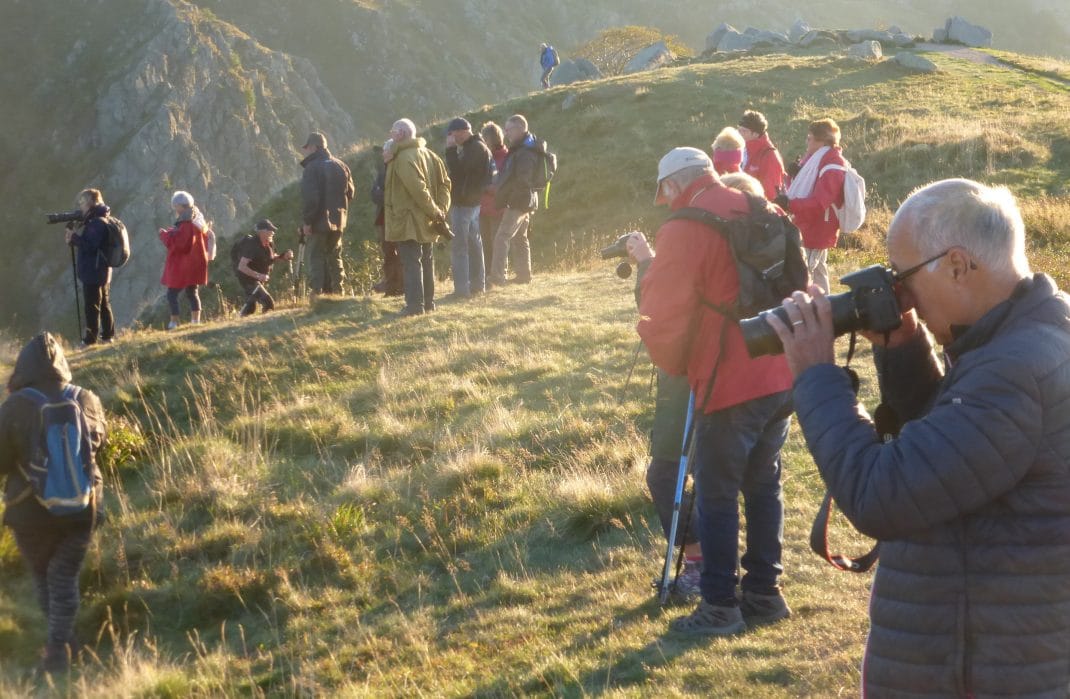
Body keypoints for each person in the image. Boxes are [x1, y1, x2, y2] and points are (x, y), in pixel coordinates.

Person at [764, 178, 1070, 697]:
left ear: (957, 265)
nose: (898, 293)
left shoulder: (1013, 372)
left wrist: (816, 375)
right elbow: (952, 448)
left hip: (979, 668)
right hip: (993, 648)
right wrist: (903, 344)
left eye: (902, 277)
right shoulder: (1034, 333)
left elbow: (881, 495)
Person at [635, 147, 794, 636]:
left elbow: (661, 314)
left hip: (728, 376)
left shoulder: (684, 228)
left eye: (664, 192)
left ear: (676, 184)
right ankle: (765, 594)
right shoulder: (764, 208)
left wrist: (680, 365)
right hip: (779, 368)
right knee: (764, 484)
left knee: (717, 495)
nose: (664, 203)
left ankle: (720, 606)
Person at [0, 333, 106, 674]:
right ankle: (64, 644)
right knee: (64, 575)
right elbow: (98, 444)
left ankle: (58, 652)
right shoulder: (86, 398)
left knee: (46, 577)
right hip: (82, 508)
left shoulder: (15, 406)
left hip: (29, 511)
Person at [383, 118, 451, 316]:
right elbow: (445, 184)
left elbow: (418, 190)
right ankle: (428, 303)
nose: (391, 136)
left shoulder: (404, 158)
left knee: (412, 262)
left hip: (409, 220)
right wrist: (441, 210)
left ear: (401, 134)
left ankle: (414, 306)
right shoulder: (430, 155)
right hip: (429, 220)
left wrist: (435, 211)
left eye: (393, 132)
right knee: (427, 260)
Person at [779, 119, 846, 294]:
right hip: (809, 223)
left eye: (810, 139)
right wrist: (792, 176)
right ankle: (827, 309)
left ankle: (815, 310)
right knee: (818, 271)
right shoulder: (814, 160)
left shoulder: (833, 166)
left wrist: (789, 204)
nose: (806, 142)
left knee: (805, 272)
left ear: (822, 142)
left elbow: (819, 203)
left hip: (817, 227)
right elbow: (802, 187)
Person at [489, 114, 543, 287]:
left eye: (509, 129)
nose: (506, 133)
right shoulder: (528, 147)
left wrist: (511, 199)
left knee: (502, 237)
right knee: (520, 238)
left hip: (519, 201)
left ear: (520, 128)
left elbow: (522, 180)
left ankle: (497, 277)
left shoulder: (525, 152)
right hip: (527, 200)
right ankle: (524, 275)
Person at [299, 132, 355, 296]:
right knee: (334, 255)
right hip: (339, 221)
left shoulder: (311, 168)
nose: (306, 151)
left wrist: (307, 222)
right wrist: (339, 210)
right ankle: (338, 292)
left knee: (316, 256)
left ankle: (317, 293)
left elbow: (311, 198)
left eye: (307, 147)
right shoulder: (341, 166)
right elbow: (351, 193)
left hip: (319, 221)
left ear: (315, 147)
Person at [444, 117, 491, 299]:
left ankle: (462, 289)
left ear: (462, 131)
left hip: (464, 203)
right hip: (473, 203)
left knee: (460, 246)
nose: (451, 139)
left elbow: (457, 172)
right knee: (474, 243)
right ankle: (478, 285)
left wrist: (450, 151)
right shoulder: (478, 147)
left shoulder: (474, 149)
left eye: (452, 134)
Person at [64, 188, 114, 346]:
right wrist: (73, 238)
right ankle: (107, 336)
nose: (81, 206)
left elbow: (90, 246)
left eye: (82, 202)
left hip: (94, 270)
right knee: (104, 304)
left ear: (91, 203)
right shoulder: (101, 219)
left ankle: (90, 339)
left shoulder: (96, 223)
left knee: (92, 305)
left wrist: (74, 238)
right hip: (102, 269)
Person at [158, 190, 208, 329]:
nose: (175, 210)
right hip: (196, 262)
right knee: (192, 292)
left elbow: (181, 245)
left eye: (176, 207)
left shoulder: (186, 222)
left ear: (181, 206)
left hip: (183, 264)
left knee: (172, 293)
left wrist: (164, 235)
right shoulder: (198, 219)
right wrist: (173, 232)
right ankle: (195, 321)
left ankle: (174, 322)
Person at [234, 219, 294, 316]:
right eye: (270, 230)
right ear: (261, 232)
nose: (273, 233)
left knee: (251, 307)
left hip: (258, 278)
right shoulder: (252, 245)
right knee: (268, 302)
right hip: (248, 279)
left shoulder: (269, 243)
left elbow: (270, 258)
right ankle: (266, 324)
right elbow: (241, 266)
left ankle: (243, 324)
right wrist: (258, 276)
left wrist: (283, 257)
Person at [371, 140, 403, 297]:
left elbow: (392, 195)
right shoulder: (383, 170)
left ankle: (399, 285)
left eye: (385, 150)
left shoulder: (398, 168)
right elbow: (374, 193)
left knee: (398, 252)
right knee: (388, 253)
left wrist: (382, 195)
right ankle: (391, 285)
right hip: (384, 218)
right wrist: (382, 195)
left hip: (395, 217)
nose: (382, 153)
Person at [479, 121, 509, 273]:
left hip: (497, 209)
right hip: (483, 209)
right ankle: (488, 275)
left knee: (497, 243)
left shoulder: (506, 158)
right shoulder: (485, 158)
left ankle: (498, 274)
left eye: (484, 139)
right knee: (485, 244)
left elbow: (503, 188)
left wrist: (482, 187)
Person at [738, 110, 786, 201]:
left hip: (757, 209)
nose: (739, 134)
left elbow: (771, 193)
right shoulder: (741, 149)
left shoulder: (770, 156)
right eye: (739, 129)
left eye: (744, 131)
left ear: (756, 134)